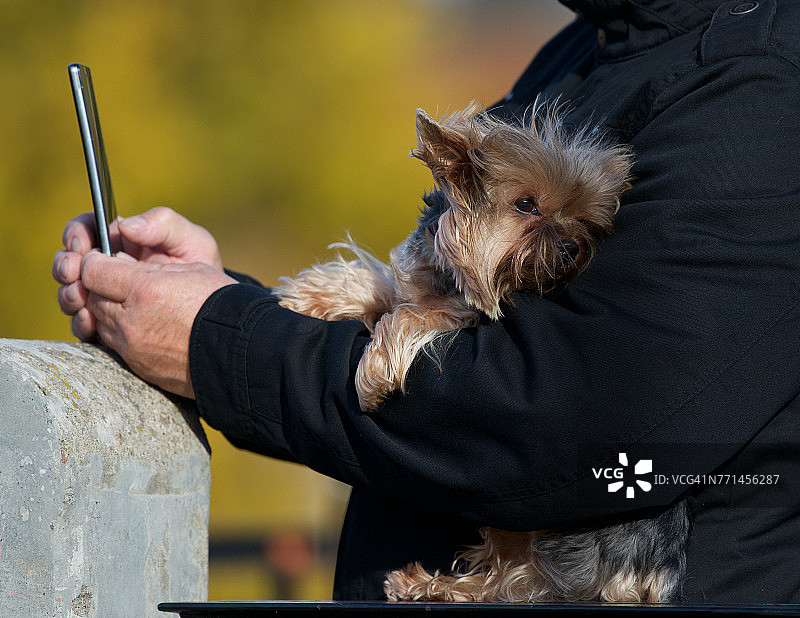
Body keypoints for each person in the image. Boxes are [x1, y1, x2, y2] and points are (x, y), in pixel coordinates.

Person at [53, 0, 800, 603]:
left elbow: (555, 420)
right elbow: (444, 304)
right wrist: (224, 301)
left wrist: (219, 342)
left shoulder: (759, 84)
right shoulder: (587, 47)